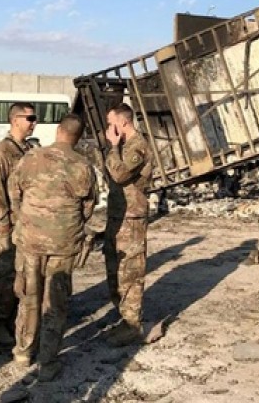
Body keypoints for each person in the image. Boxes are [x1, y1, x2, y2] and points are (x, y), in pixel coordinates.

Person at [8, 113, 96, 382]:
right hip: (63, 242)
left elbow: (14, 192)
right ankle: (47, 363)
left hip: (30, 240)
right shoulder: (83, 165)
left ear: (58, 131)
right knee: (55, 302)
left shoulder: (31, 158)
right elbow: (88, 206)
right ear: (78, 137)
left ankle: (23, 353)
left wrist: (24, 219)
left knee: (28, 296)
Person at [0, 101, 38, 345]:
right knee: (5, 276)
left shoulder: (29, 150)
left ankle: (17, 319)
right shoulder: (0, 152)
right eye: (30, 118)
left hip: (27, 224)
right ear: (15, 120)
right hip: (8, 226)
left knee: (24, 275)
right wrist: (1, 222)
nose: (34, 122)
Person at [103, 102, 153, 346]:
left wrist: (112, 146)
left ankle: (132, 324)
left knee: (130, 270)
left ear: (123, 123)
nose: (108, 129)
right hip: (117, 214)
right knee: (115, 267)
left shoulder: (137, 146)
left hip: (132, 217)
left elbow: (120, 174)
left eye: (111, 123)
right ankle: (123, 317)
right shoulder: (123, 146)